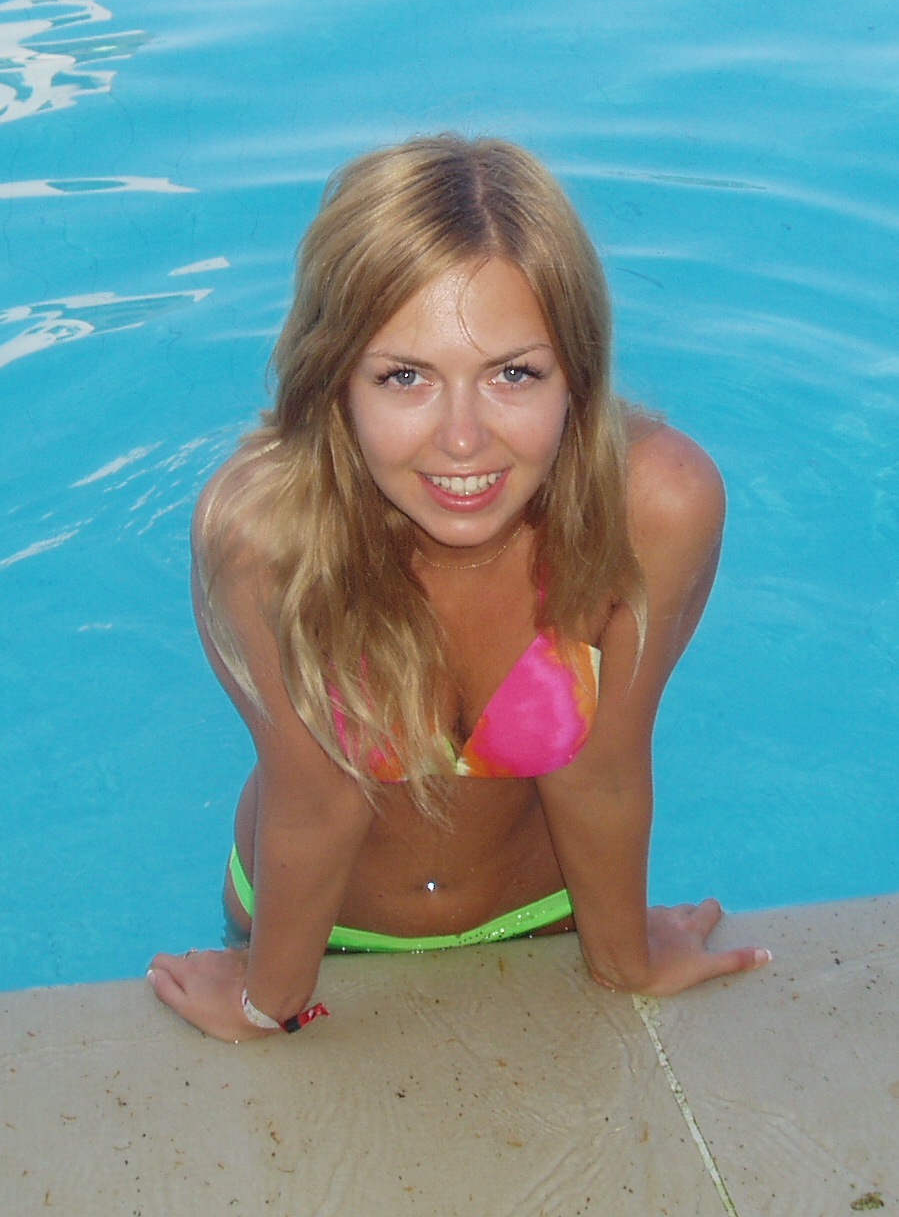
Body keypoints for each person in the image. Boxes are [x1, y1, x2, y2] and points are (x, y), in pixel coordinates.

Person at [148, 135, 770, 1041]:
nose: (463, 439)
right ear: (335, 378)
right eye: (405, 376)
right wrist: (265, 1001)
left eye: (514, 373)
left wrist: (624, 960)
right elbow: (316, 804)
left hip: (542, 915)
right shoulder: (266, 534)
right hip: (321, 928)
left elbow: (601, 770)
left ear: (576, 372)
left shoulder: (654, 505)